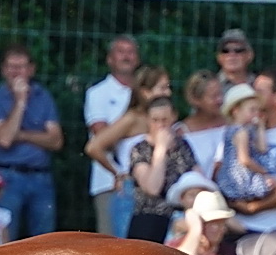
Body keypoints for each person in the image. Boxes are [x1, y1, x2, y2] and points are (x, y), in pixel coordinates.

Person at [0, 45, 61, 239]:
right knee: (6, 239)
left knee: (44, 241)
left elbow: (56, 140)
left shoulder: (44, 97)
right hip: (8, 177)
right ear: (3, 69)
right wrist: (20, 101)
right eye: (11, 66)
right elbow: (5, 139)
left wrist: (22, 135)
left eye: (21, 66)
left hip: (41, 178)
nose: (16, 71)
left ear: (31, 70)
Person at [83, 65, 172, 239]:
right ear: (145, 92)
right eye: (162, 88)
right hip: (132, 193)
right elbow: (94, 147)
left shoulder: (163, 119)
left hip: (159, 193)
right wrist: (118, 172)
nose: (168, 93)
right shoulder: (132, 118)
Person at [222, 71, 276, 233]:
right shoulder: (237, 131)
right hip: (237, 224)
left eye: (260, 91)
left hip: (275, 228)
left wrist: (254, 207)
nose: (253, 94)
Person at [84, 35, 139, 235]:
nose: (126, 56)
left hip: (146, 185)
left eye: (131, 51)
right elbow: (101, 134)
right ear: (110, 59)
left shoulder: (143, 92)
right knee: (111, 245)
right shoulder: (97, 93)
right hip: (108, 180)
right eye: (120, 51)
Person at [126, 95, 197, 243]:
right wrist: (161, 149)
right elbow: (152, 188)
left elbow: (197, 179)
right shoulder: (139, 149)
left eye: (164, 120)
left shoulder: (183, 146)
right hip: (149, 219)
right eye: (155, 120)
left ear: (173, 117)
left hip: (179, 216)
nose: (160, 125)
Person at [170, 190, 251, 255]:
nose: (217, 228)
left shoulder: (228, 253)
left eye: (221, 223)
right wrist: (195, 230)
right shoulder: (174, 247)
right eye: (211, 223)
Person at [214, 83, 275, 206]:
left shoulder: (235, 129)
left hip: (230, 179)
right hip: (240, 179)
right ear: (236, 111)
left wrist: (261, 126)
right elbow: (244, 160)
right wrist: (264, 172)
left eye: (258, 110)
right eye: (252, 110)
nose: (256, 114)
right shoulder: (241, 132)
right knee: (275, 185)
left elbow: (262, 148)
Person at [180, 69, 228, 178]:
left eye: (220, 94)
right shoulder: (182, 133)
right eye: (213, 96)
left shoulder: (230, 125)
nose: (220, 100)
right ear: (196, 100)